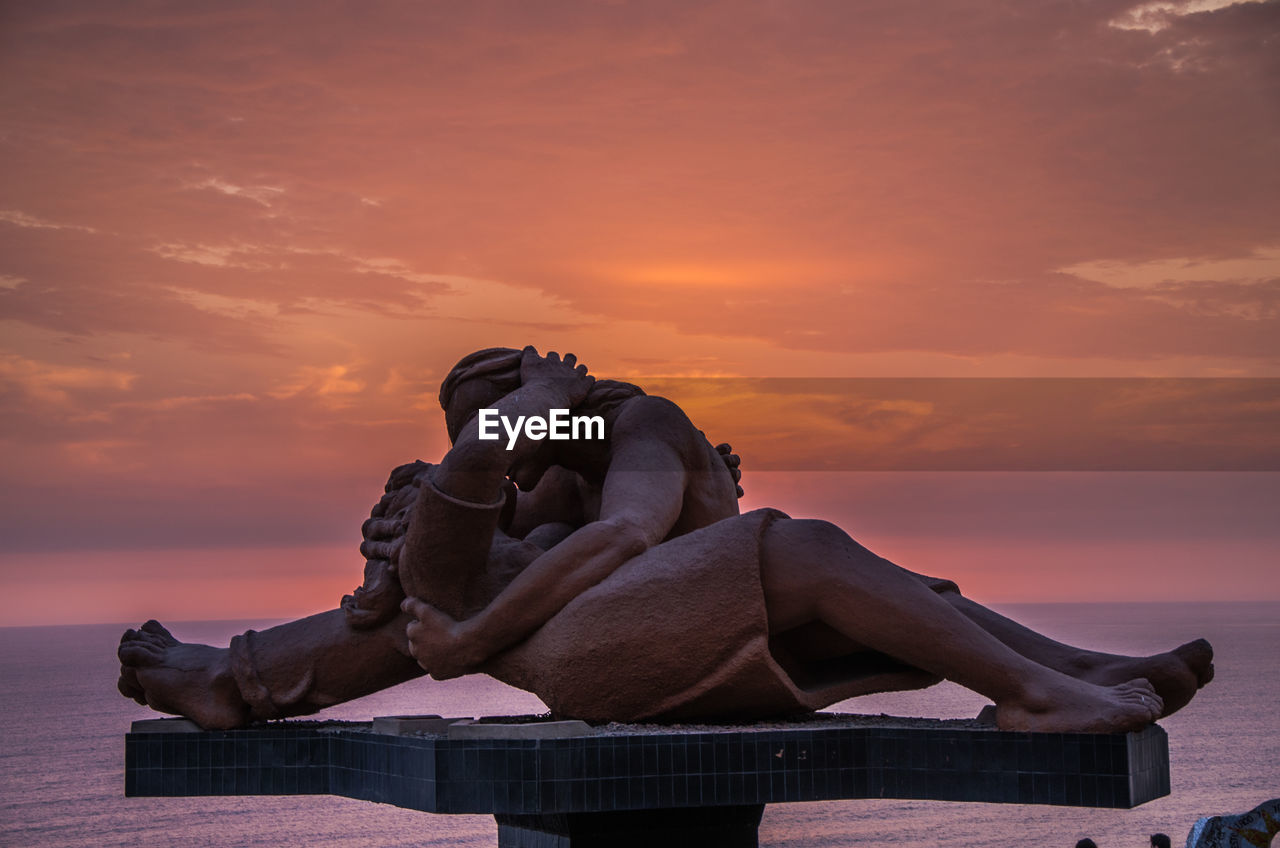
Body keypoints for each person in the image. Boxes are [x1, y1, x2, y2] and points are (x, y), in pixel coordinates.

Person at [120, 347, 1214, 732]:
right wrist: (465, 596)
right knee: (810, 550)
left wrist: (468, 626)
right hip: (594, 652)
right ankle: (1040, 688)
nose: (508, 455)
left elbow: (620, 542)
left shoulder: (627, 431)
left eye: (498, 419)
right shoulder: (527, 480)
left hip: (610, 641)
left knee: (871, 577)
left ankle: (1067, 668)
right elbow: (459, 589)